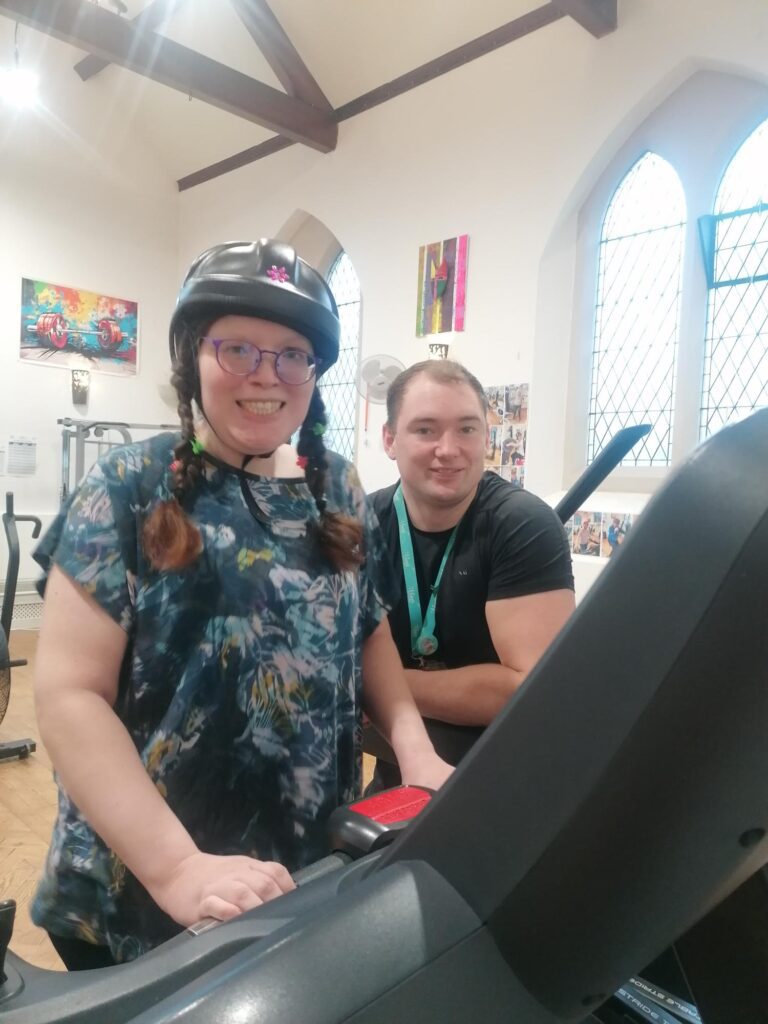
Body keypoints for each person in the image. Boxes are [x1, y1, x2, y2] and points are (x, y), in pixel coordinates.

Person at [31, 240, 451, 970]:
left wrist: (416, 754)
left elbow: (370, 631)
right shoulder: (130, 485)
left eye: (293, 354)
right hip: (143, 893)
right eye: (238, 350)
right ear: (192, 356)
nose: (267, 375)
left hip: (300, 875)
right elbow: (69, 694)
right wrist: (177, 869)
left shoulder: (338, 488)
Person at [368, 360, 575, 789]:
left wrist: (377, 685)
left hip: (507, 778)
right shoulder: (362, 523)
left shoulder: (522, 524)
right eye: (425, 430)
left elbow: (527, 688)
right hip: (401, 764)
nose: (449, 449)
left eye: (466, 429)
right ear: (390, 439)